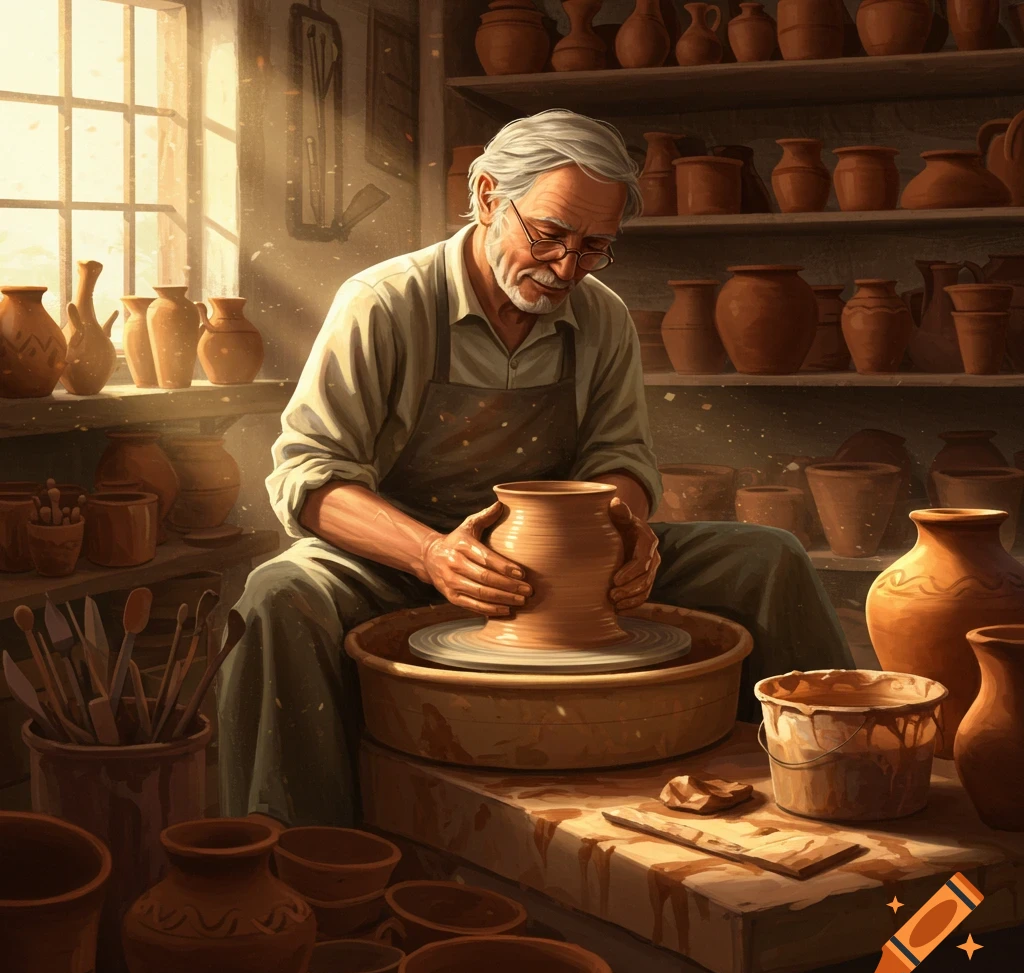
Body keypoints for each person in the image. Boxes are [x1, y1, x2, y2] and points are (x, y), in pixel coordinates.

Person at [218, 109, 853, 828]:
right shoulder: (385, 304)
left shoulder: (601, 317)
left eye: (594, 248)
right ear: (489, 196)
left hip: (561, 565)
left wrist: (628, 535)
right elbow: (307, 475)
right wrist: (431, 553)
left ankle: (832, 783)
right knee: (279, 594)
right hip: (399, 558)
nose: (565, 268)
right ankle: (300, 858)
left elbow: (619, 458)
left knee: (767, 558)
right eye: (550, 235)